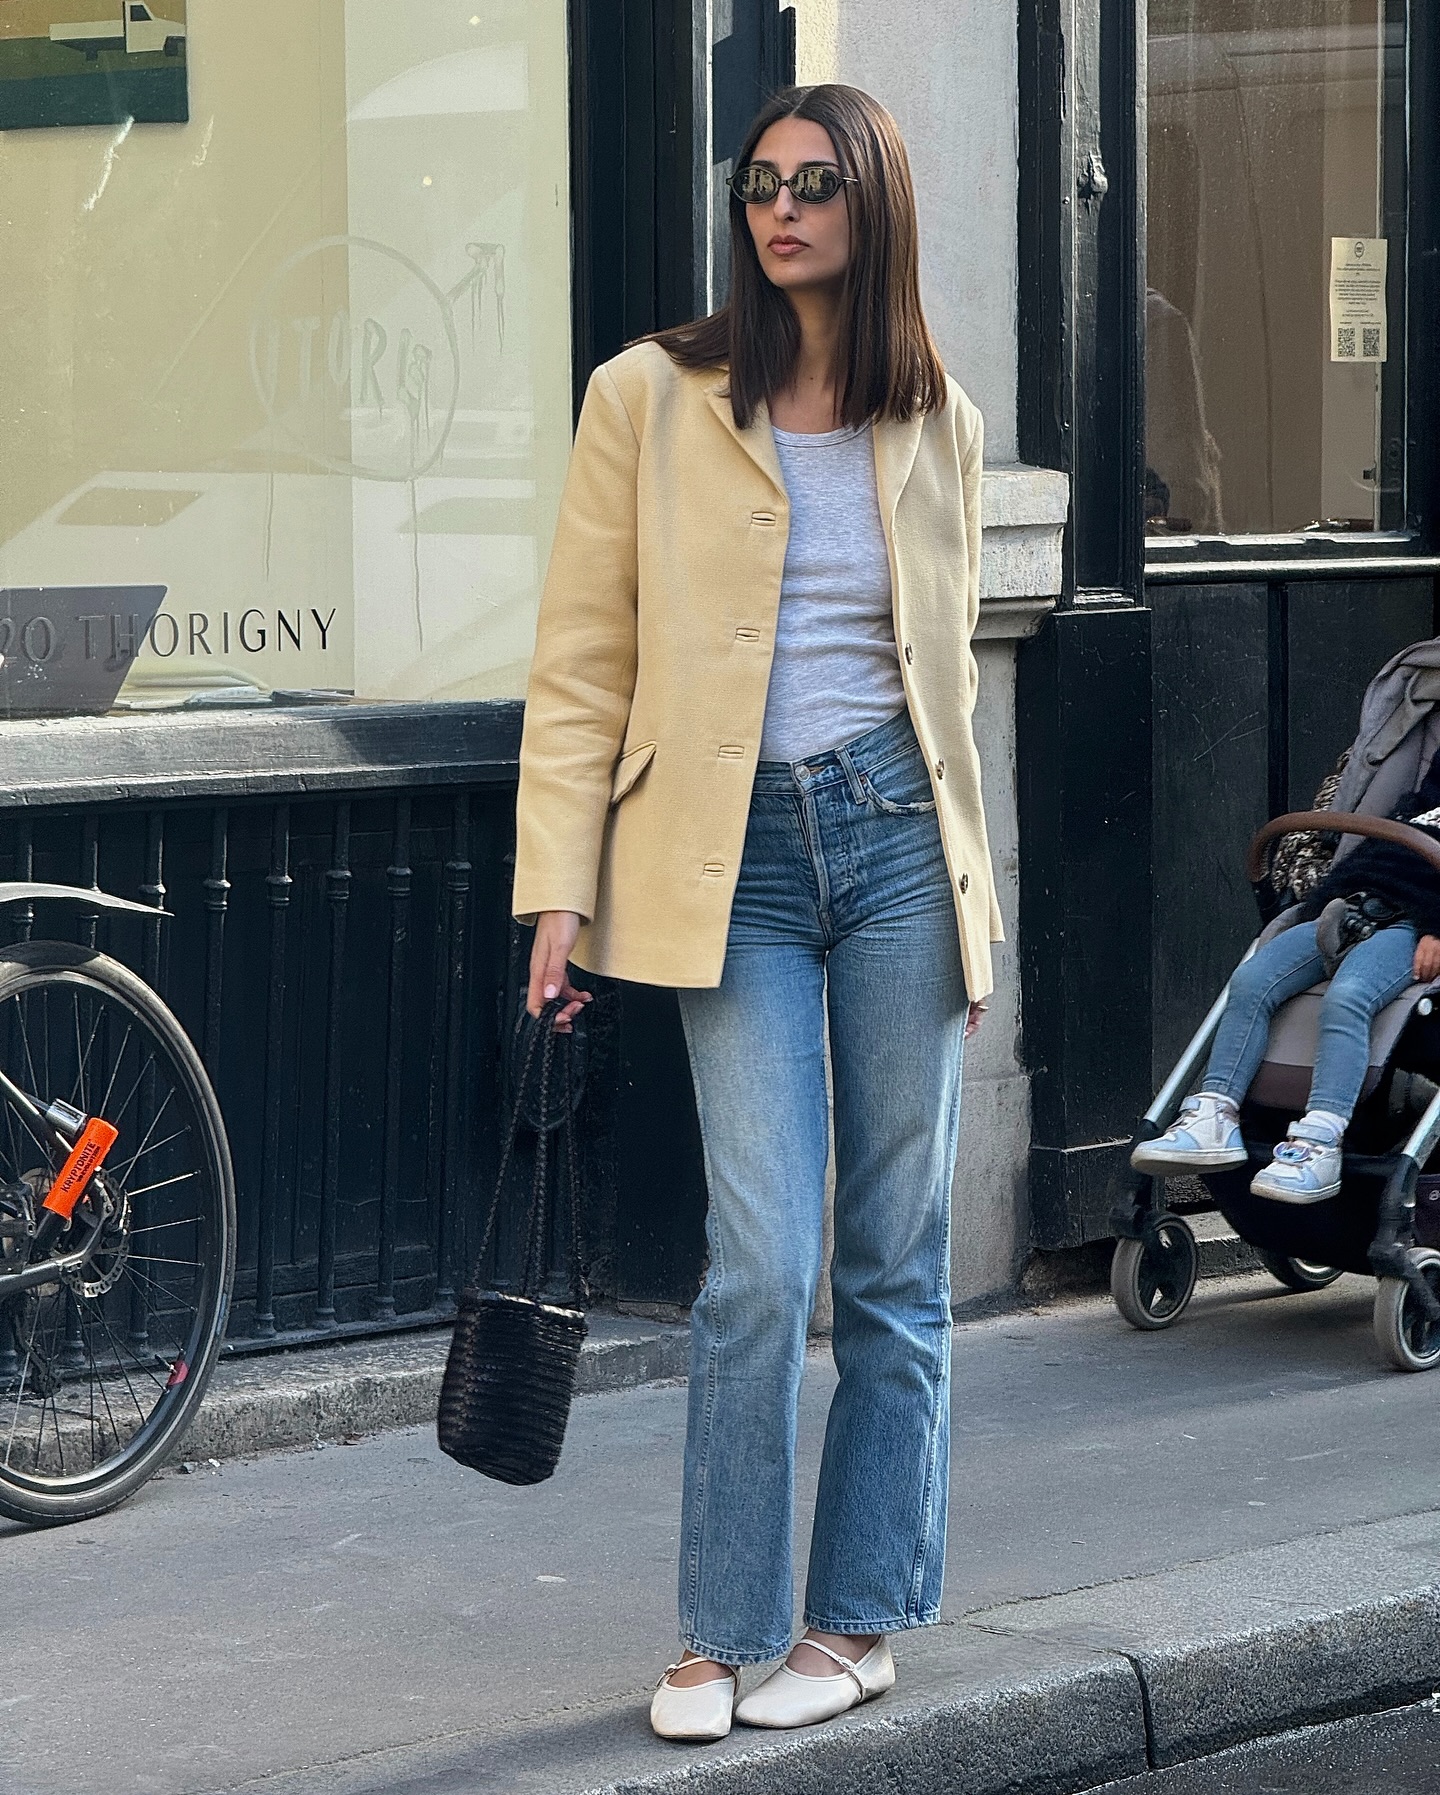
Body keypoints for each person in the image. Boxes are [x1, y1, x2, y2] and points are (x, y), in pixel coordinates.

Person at [513, 83, 1001, 1742]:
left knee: (895, 1257)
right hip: (729, 864)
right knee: (757, 1259)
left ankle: (857, 1620)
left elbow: (947, 689)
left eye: (813, 185)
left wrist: (973, 915)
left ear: (872, 211)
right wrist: (557, 892)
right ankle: (718, 1633)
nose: (779, 209)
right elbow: (581, 659)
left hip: (893, 849)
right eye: (759, 184)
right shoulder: (648, 399)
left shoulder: (935, 414)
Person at [1134, 761, 1440, 1199]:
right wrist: (1323, 899)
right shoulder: (1427, 791)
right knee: (1251, 980)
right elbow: (1384, 845)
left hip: (1414, 924)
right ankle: (1215, 1115)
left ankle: (1321, 1140)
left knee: (1348, 997)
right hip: (1356, 900)